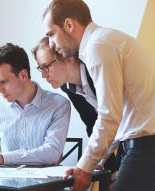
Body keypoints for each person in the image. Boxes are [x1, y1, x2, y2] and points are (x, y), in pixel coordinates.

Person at [42, 0, 155, 190]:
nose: (51, 45)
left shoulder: (98, 46)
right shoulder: (105, 40)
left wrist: (84, 167)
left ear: (69, 25)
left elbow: (109, 116)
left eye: (51, 34)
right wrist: (93, 163)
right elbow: (117, 120)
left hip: (146, 147)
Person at [0, 43, 71, 166]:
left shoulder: (59, 105)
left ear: (23, 75)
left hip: (44, 185)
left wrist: (3, 158)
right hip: (3, 185)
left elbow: (52, 153)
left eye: (4, 82)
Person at [32, 36, 121, 174]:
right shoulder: (67, 86)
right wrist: (104, 166)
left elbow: (113, 119)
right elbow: (91, 122)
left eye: (46, 67)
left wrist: (92, 161)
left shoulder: (96, 71)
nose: (43, 75)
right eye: (40, 68)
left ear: (66, 58)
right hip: (117, 135)